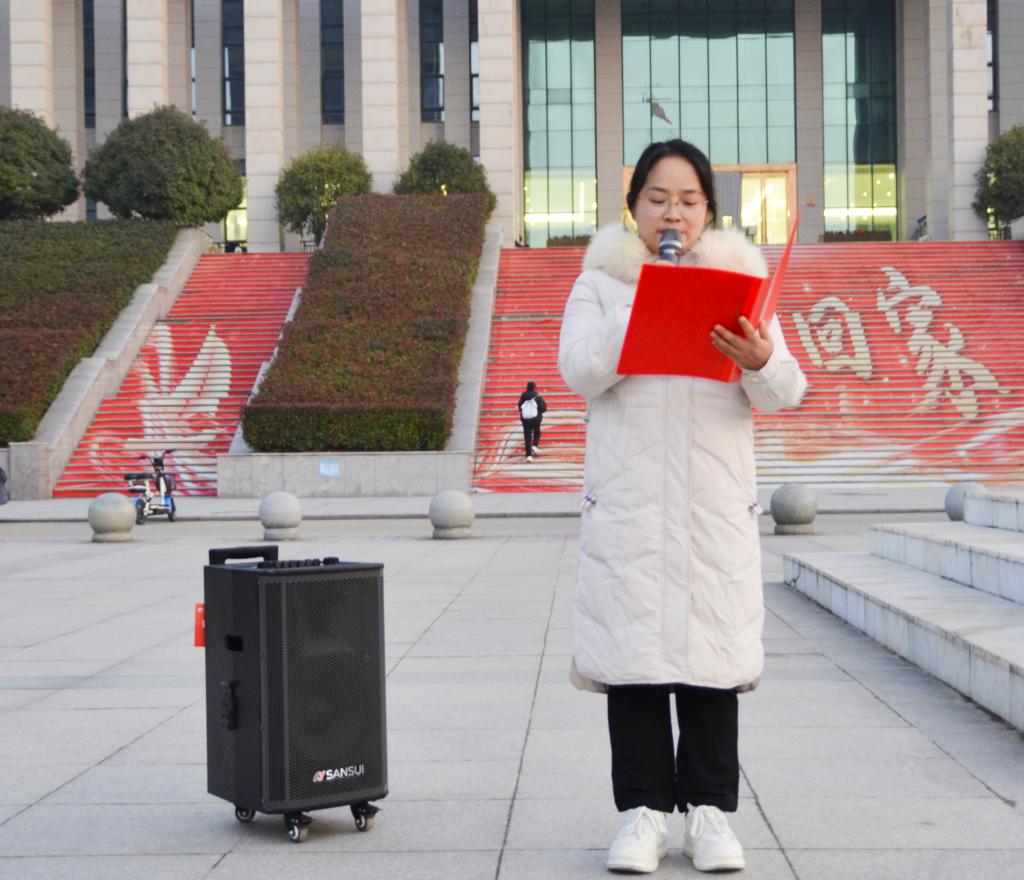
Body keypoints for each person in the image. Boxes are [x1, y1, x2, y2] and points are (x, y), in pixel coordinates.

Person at [558, 139, 807, 875]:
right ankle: (642, 815)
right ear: (633, 206)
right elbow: (579, 370)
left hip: (710, 505)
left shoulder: (740, 280)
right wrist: (645, 300)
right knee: (633, 659)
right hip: (631, 503)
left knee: (711, 660)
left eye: (688, 200)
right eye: (658, 198)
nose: (673, 213)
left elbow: (787, 389)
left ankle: (708, 813)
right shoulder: (600, 285)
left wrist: (761, 360)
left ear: (708, 210)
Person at [517, 380, 546, 462]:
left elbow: (520, 407)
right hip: (536, 419)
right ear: (534, 388)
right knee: (537, 432)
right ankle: (534, 445)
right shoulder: (537, 396)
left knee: (527, 436)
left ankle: (529, 455)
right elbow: (543, 408)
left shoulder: (523, 395)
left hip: (526, 420)